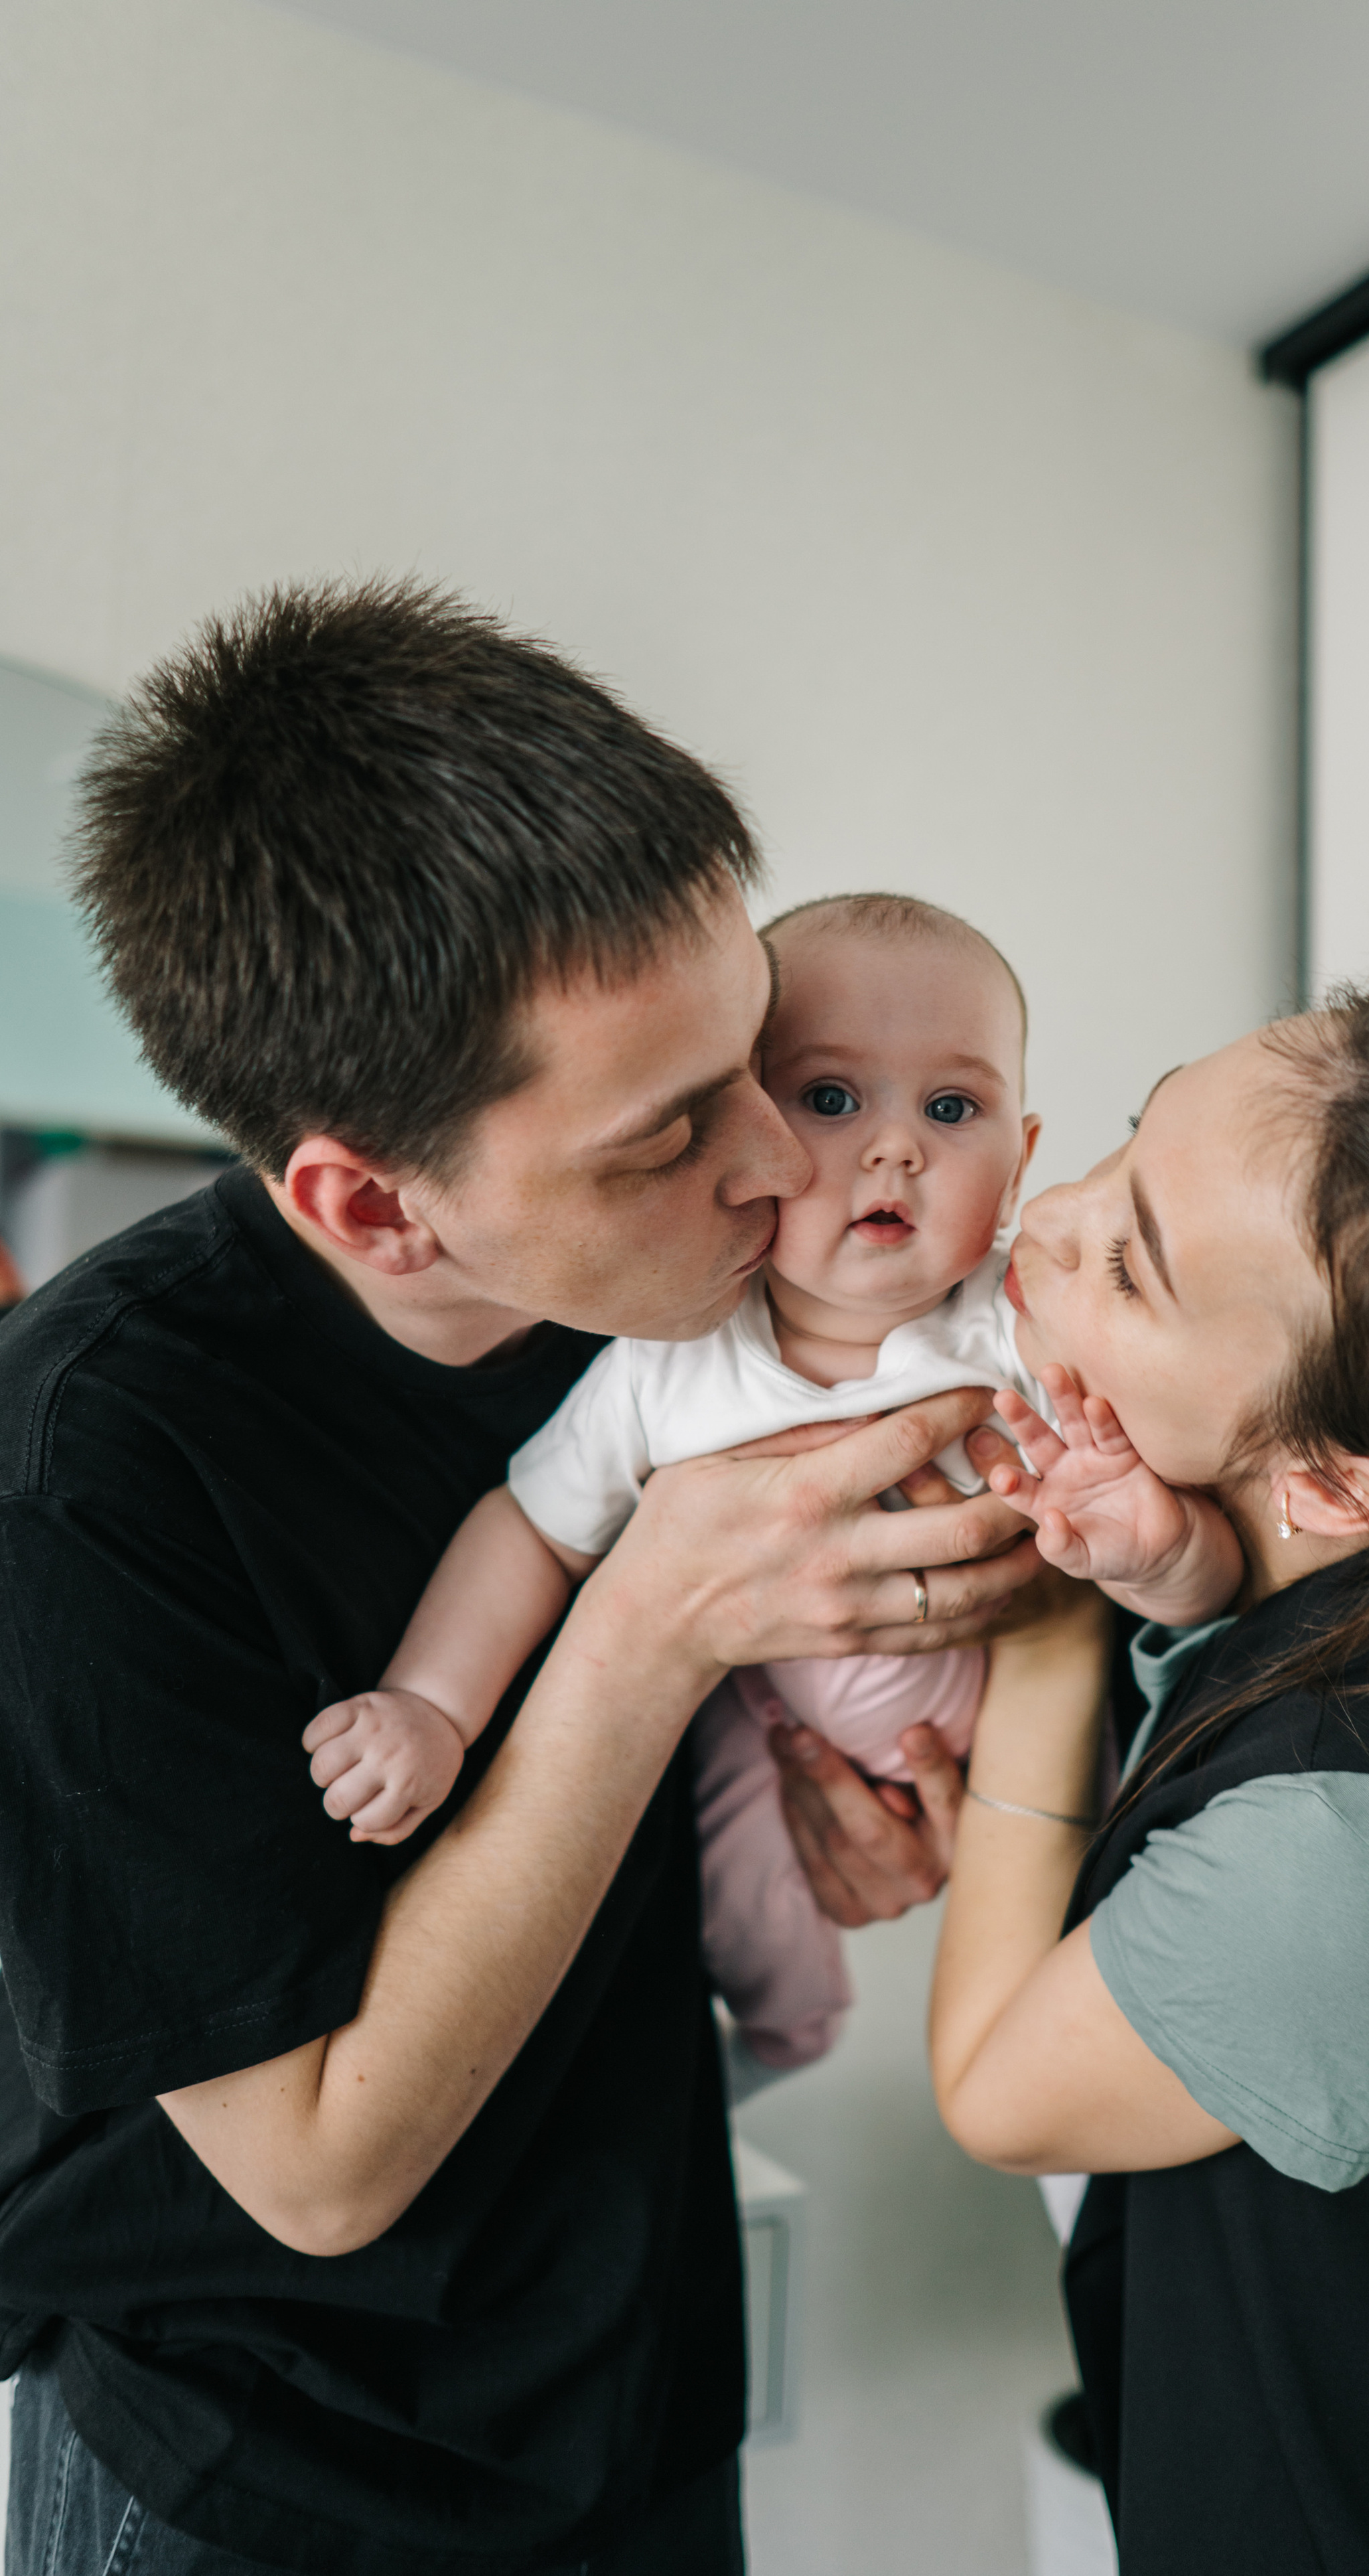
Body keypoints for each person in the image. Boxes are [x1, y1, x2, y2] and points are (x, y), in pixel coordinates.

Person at [0, 579, 1041, 2576]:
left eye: (766, 1056)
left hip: (635, 2376)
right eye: (671, 1135)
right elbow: (313, 2171)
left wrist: (853, 1813)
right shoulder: (83, 1477)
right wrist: (657, 1621)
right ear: (373, 1206)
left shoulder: (683, 1300)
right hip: (268, 2465)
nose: (780, 1165)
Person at [853, 988, 1369, 2573]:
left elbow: (997, 2091)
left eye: (1127, 1262)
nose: (1042, 1215)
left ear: (1329, 1481)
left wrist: (1041, 1646)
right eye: (1124, 1143)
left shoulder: (1357, 1855)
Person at [299, 894, 1241, 2081]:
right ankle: (791, 2037)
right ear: (734, 1135)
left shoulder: (1028, 1330)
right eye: (832, 1100)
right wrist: (434, 1705)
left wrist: (1167, 1559)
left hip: (1026, 1732)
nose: (896, 1148)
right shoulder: (668, 1363)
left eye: (953, 1109)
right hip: (776, 1718)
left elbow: (1203, 1577)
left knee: (1096, 1935)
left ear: (1021, 1164)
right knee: (737, 1892)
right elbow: (530, 1531)